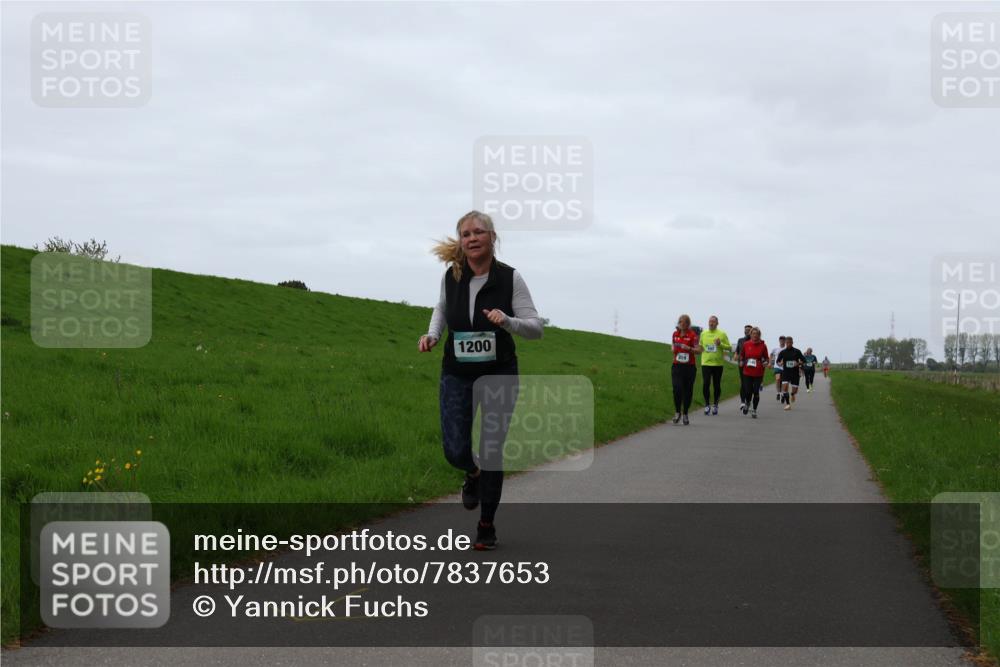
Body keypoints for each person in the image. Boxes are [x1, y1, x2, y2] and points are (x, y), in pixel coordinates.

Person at [419, 211, 543, 550]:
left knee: (491, 450)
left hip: (499, 372)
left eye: (478, 232)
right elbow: (442, 309)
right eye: (465, 234)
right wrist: (432, 334)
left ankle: (486, 524)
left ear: (492, 237)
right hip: (457, 371)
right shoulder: (452, 275)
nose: (471, 238)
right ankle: (471, 473)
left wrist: (507, 322)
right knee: (455, 449)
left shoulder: (509, 278)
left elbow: (536, 328)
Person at [671, 314, 702, 425]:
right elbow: (673, 345)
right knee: (676, 389)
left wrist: (689, 348)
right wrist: (673, 348)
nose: (681, 323)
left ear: (688, 324)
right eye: (680, 321)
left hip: (689, 367)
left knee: (687, 391)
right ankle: (677, 412)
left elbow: (698, 350)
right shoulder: (675, 334)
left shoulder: (693, 335)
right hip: (677, 366)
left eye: (683, 322)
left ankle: (685, 414)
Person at [699, 315, 732, 416]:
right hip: (706, 363)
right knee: (706, 384)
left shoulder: (722, 334)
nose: (711, 323)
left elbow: (729, 348)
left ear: (717, 323)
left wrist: (720, 344)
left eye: (713, 322)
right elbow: (700, 346)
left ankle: (715, 405)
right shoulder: (703, 333)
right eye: (710, 321)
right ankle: (707, 405)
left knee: (716, 385)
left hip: (718, 364)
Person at [739, 327, 769, 418]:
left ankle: (754, 410)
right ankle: (747, 403)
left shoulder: (763, 346)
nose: (755, 335)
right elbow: (742, 356)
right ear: (750, 335)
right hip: (747, 371)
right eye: (753, 333)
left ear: (759, 335)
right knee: (748, 391)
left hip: (758, 372)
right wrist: (741, 361)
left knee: (756, 392)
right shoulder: (746, 344)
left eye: (757, 334)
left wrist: (766, 362)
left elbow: (766, 358)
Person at [776, 335, 806, 411]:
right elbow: (778, 361)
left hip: (795, 373)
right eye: (787, 342)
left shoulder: (797, 351)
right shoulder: (783, 352)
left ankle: (792, 394)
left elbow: (804, 361)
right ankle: (788, 404)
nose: (788, 344)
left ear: (792, 343)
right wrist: (780, 363)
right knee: (785, 388)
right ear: (785, 343)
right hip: (786, 372)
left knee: (794, 390)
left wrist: (798, 363)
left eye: (790, 342)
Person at [733, 323, 752, 411]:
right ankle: (742, 402)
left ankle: (748, 401)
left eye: (749, 330)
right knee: (743, 383)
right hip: (741, 364)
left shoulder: (754, 341)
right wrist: (735, 356)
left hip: (751, 365)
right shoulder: (740, 340)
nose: (747, 331)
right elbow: (737, 351)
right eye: (746, 330)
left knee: (749, 384)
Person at [770, 336, 786, 401]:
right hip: (777, 367)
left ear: (785, 341)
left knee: (783, 382)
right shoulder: (775, 349)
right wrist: (770, 362)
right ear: (779, 341)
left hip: (785, 368)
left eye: (783, 340)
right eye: (781, 340)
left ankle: (782, 393)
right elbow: (771, 354)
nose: (782, 341)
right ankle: (778, 393)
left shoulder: (786, 349)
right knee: (778, 379)